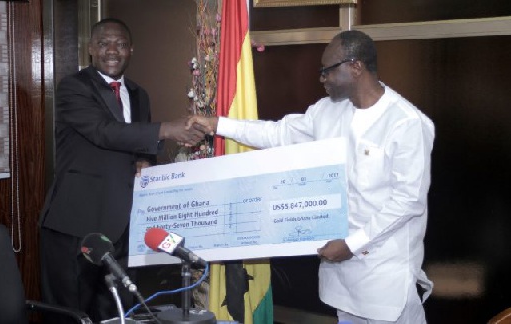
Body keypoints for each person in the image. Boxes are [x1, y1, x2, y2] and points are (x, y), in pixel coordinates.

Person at [190, 30, 434, 323]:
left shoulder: (406, 123)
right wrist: (217, 123)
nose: (322, 79)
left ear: (355, 67)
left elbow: (408, 202)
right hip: (342, 276)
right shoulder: (326, 111)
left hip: (385, 276)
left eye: (327, 71)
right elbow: (277, 133)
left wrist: (352, 244)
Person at [39, 18, 205, 323]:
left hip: (123, 229)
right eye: (103, 43)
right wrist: (168, 129)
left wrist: (145, 161)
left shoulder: (139, 94)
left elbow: (140, 149)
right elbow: (104, 131)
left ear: (131, 50)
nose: (112, 50)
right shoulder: (73, 87)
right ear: (90, 49)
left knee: (116, 313)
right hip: (76, 228)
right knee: (70, 316)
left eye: (120, 44)